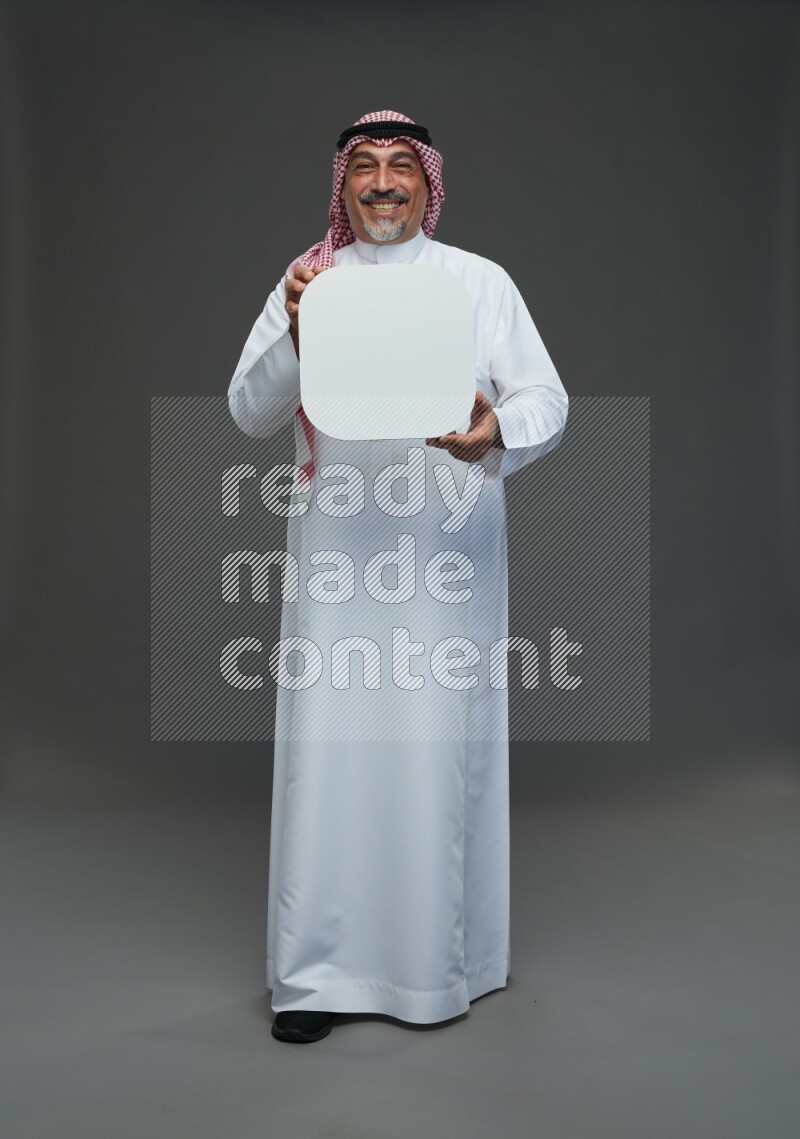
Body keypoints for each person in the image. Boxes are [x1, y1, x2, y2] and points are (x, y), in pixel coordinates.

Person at [227, 110, 569, 1043]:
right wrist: (297, 330)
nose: (383, 182)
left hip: (444, 563)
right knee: (327, 763)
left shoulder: (478, 283)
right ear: (343, 185)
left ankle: (433, 971)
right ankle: (312, 977)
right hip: (338, 565)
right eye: (366, 167)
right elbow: (250, 411)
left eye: (401, 166)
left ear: (429, 182)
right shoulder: (311, 283)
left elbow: (547, 398)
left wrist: (494, 429)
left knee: (432, 756)